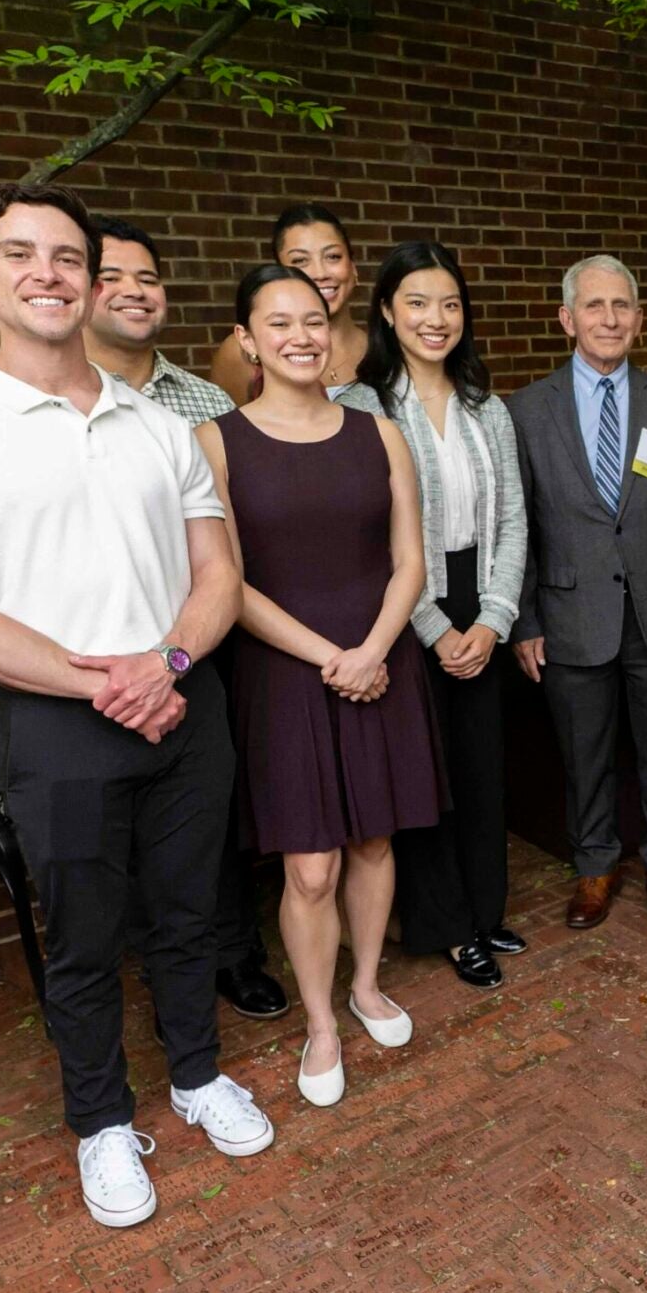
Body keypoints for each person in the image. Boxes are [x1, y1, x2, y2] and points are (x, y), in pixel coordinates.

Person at [0, 183, 273, 1231]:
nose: (48, 273)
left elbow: (219, 575)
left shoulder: (158, 423)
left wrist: (167, 663)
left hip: (182, 703)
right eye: (20, 255)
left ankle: (196, 1074)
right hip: (58, 723)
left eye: (69, 257)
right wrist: (113, 681)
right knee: (85, 939)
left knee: (192, 914)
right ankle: (102, 1121)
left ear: (91, 281)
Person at [202, 263, 446, 1107]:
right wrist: (332, 659)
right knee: (309, 868)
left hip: (382, 662)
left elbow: (410, 562)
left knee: (375, 841)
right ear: (248, 340)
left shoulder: (378, 434)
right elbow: (227, 583)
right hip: (284, 676)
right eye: (278, 323)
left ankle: (367, 985)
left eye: (312, 320)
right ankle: (319, 1023)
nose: (300, 337)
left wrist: (373, 649)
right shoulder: (216, 442)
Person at [85, 213, 290, 1024]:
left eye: (148, 277)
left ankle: (234, 953)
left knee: (213, 810)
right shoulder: (58, 404)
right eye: (112, 276)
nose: (134, 291)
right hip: (99, 653)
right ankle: (161, 970)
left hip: (203, 640)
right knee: (126, 828)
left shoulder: (204, 401)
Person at [339, 242, 529, 987]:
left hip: (481, 598)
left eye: (450, 304)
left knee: (483, 768)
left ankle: (484, 909)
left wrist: (494, 617)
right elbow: (372, 538)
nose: (436, 318)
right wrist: (434, 628)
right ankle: (447, 926)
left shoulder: (488, 407)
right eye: (417, 302)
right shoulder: (361, 408)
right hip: (401, 607)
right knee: (426, 776)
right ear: (388, 311)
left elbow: (513, 520)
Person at [510, 256, 647, 928]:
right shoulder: (526, 411)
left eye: (621, 305)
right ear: (567, 319)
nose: (609, 318)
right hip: (569, 612)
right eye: (594, 306)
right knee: (585, 753)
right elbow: (520, 528)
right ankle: (594, 866)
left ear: (639, 319)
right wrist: (524, 620)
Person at [210, 204, 367, 404]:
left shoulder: (382, 348)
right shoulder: (242, 350)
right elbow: (229, 422)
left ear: (353, 268)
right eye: (300, 260)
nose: (320, 273)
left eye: (333, 257)